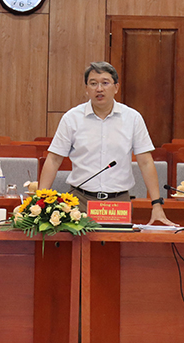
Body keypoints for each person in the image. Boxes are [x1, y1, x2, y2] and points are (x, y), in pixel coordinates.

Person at [39, 61, 174, 225]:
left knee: (114, 242)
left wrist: (156, 204)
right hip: (79, 201)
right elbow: (54, 160)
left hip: (118, 204)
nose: (99, 89)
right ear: (86, 89)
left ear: (116, 87)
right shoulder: (71, 118)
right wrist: (40, 201)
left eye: (105, 83)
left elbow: (145, 162)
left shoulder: (132, 118)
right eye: (93, 84)